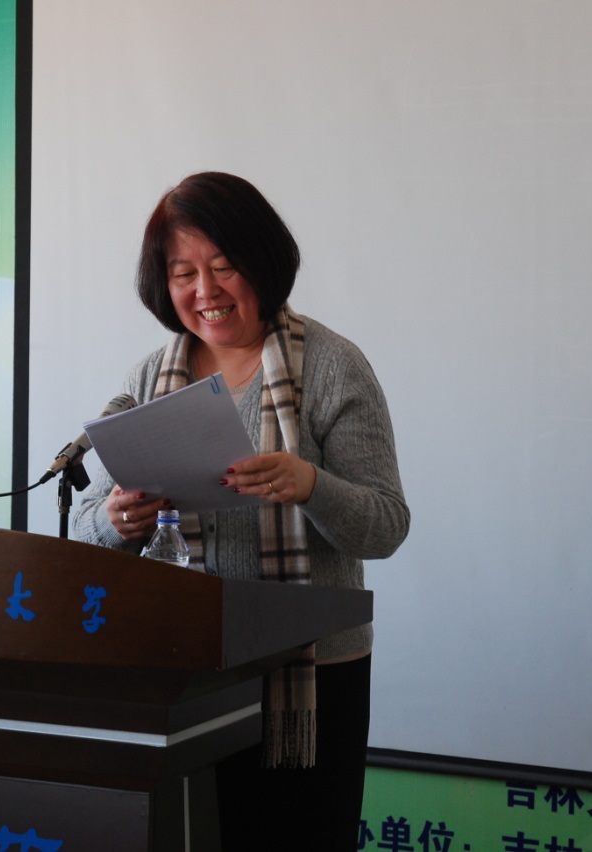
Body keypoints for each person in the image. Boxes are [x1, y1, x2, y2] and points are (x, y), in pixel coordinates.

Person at [71, 171, 409, 850]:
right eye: (183, 273)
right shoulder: (150, 379)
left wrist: (309, 484)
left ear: (264, 262)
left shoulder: (332, 367)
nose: (205, 291)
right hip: (182, 676)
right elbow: (83, 526)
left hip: (309, 682)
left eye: (224, 266)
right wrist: (117, 519)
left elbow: (385, 525)